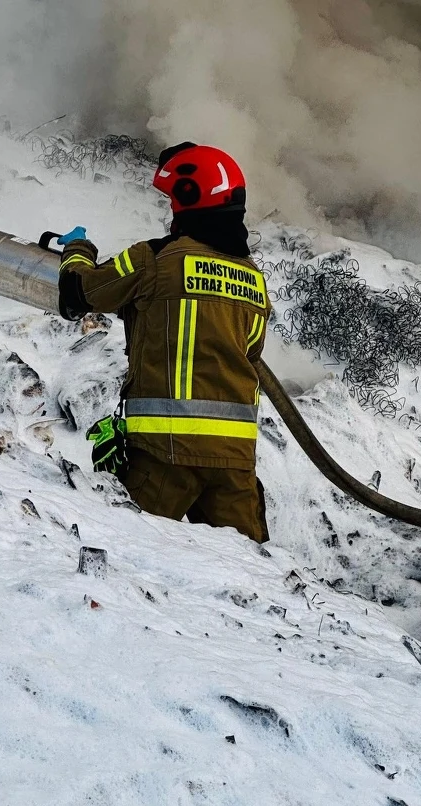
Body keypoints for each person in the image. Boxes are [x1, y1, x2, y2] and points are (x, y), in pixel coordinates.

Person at [55, 142, 271, 542]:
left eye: (173, 200)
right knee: (251, 570)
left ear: (188, 198)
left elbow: (78, 293)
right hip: (234, 461)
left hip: (164, 454)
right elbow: (251, 354)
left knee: (133, 553)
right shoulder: (254, 280)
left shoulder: (154, 259)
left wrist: (77, 250)